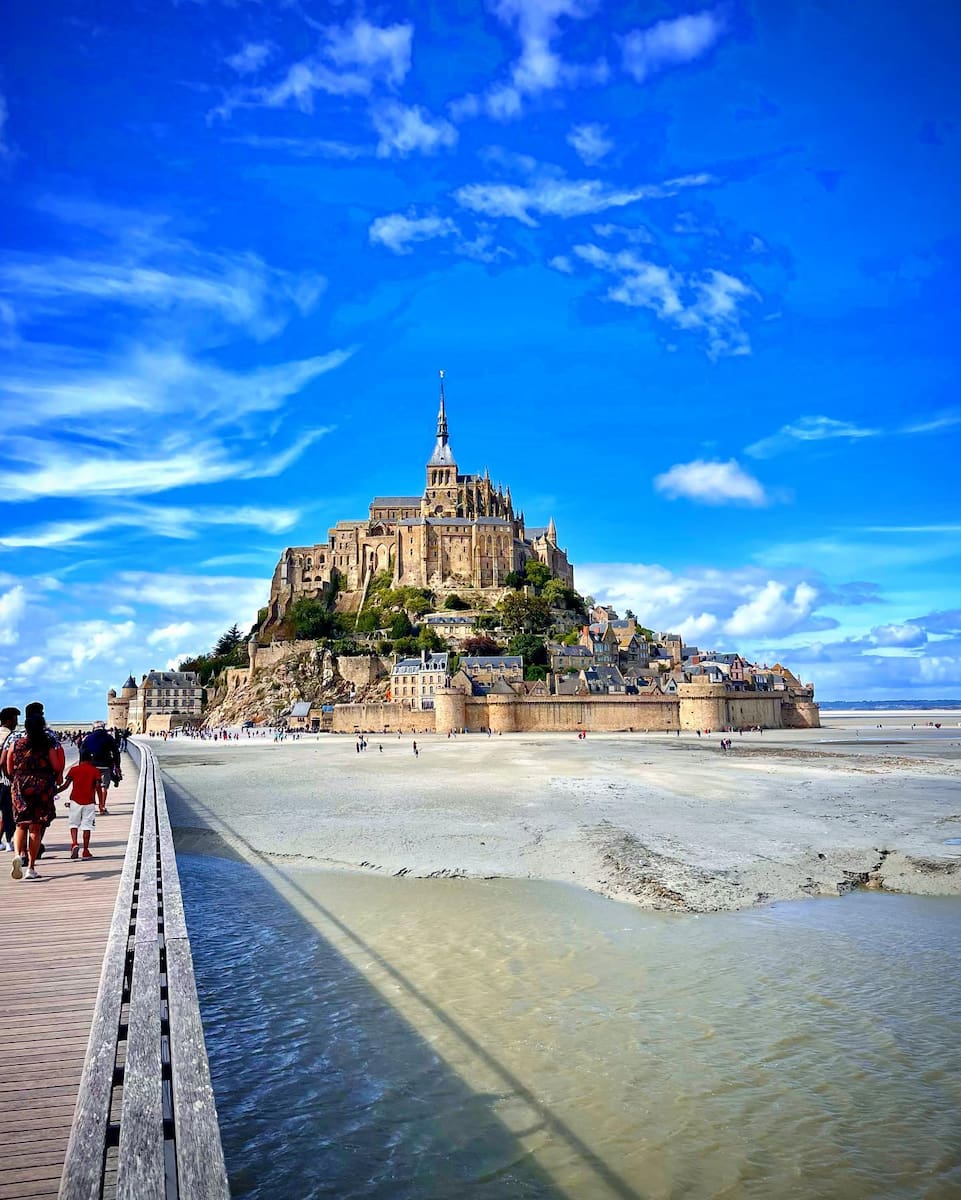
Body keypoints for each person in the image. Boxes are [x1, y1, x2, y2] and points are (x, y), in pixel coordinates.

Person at [2, 706, 63, 880]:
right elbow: (57, 766)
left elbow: (8, 766)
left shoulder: (16, 742)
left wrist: (16, 779)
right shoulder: (47, 743)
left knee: (21, 824)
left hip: (20, 785)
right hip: (41, 786)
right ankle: (31, 867)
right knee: (36, 826)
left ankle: (17, 856)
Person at [56, 749, 104, 859]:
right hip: (89, 802)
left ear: (80, 758)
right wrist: (101, 803)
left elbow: (65, 786)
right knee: (87, 826)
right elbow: (98, 788)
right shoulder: (95, 771)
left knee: (73, 824)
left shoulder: (73, 770)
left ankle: (74, 843)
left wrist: (54, 792)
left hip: (75, 801)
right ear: (91, 759)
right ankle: (86, 850)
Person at [81, 721, 120, 815]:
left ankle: (90, 807)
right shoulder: (109, 737)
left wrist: (82, 766)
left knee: (93, 786)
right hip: (106, 765)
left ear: (94, 728)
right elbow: (116, 752)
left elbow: (82, 752)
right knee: (104, 787)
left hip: (92, 765)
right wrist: (117, 766)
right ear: (103, 727)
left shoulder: (88, 738)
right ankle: (102, 806)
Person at [0, 706, 19, 852]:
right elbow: (4, 760)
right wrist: (10, 776)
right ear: (8, 720)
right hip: (4, 779)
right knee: (8, 811)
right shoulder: (8, 736)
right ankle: (8, 841)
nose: (17, 722)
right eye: (15, 719)